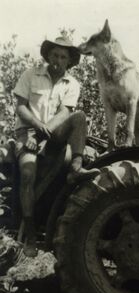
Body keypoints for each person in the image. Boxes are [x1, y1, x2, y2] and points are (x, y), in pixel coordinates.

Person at [13, 37, 99, 257]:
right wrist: (36, 129)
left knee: (78, 117)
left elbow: (64, 113)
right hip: (28, 131)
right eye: (54, 55)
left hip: (51, 135)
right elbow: (21, 108)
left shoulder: (72, 84)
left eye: (63, 57)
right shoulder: (30, 75)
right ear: (48, 55)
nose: (57, 60)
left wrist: (42, 135)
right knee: (27, 171)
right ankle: (30, 234)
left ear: (69, 61)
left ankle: (76, 168)